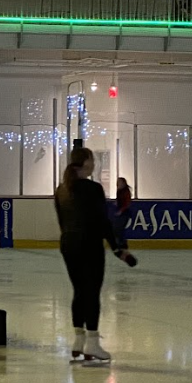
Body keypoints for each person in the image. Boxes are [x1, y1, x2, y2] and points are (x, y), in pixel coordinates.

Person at [54, 146, 135, 365]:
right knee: (92, 292)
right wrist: (117, 248)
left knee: (79, 291)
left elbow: (62, 222)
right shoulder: (93, 188)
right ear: (87, 162)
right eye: (93, 160)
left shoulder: (61, 189)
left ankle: (78, 341)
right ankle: (92, 343)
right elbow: (103, 223)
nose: (95, 164)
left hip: (68, 244)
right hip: (89, 244)